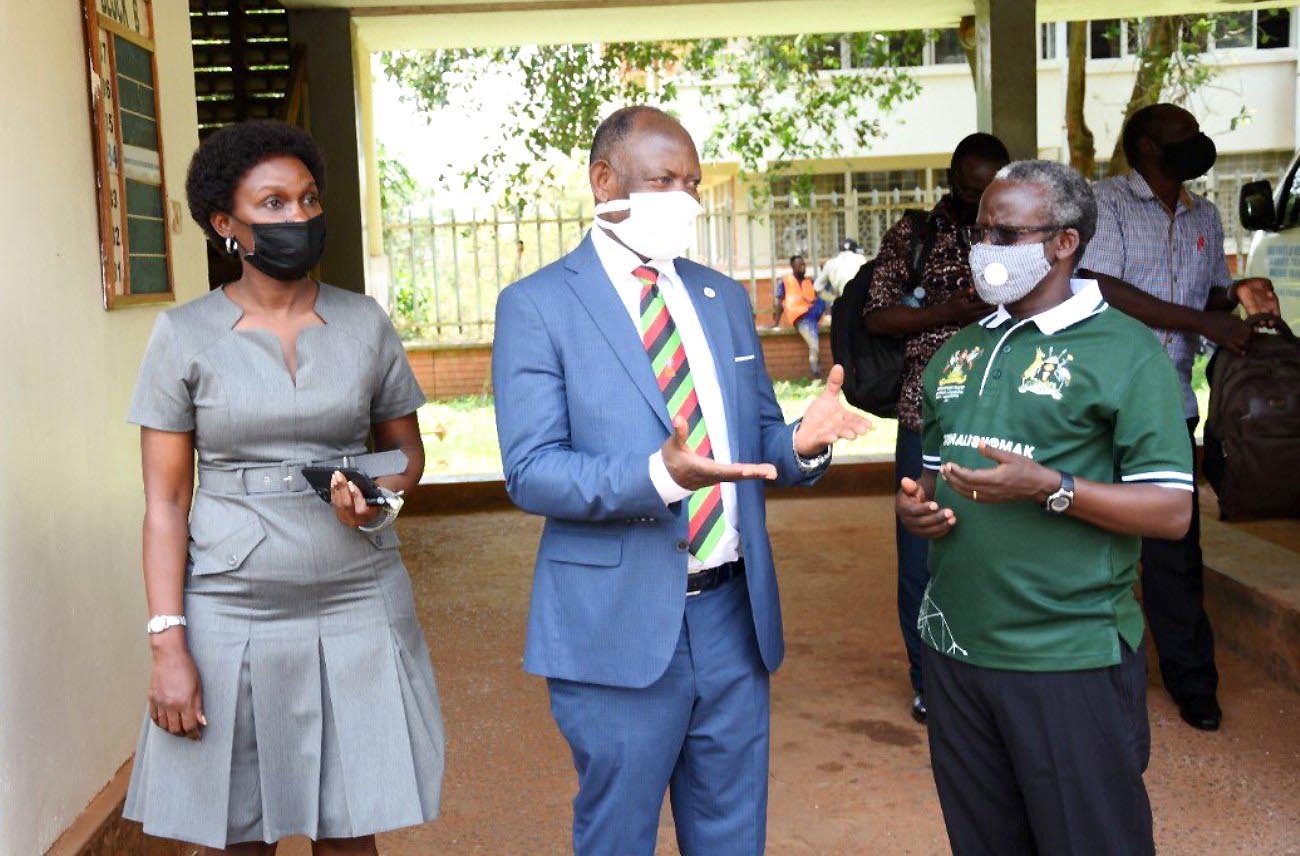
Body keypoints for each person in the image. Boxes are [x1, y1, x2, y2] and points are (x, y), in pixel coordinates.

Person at [492, 105, 870, 855]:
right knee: (618, 836)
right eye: (664, 179)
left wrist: (801, 441)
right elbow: (532, 470)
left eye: (692, 182)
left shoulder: (719, 297)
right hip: (616, 624)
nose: (685, 198)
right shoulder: (537, 306)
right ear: (604, 181)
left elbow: (756, 439)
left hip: (732, 616)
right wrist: (657, 476)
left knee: (732, 836)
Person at [122, 121, 444, 855]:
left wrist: (372, 491)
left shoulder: (364, 323)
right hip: (234, 607)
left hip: (357, 594)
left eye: (306, 200)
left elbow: (406, 453)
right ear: (224, 224)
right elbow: (165, 504)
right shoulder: (184, 335)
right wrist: (168, 641)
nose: (297, 218)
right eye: (272, 204)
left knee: (349, 822)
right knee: (240, 829)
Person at [900, 159, 1196, 855]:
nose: (984, 250)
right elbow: (936, 478)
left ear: (1064, 243)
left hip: (1067, 657)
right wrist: (918, 509)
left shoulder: (1124, 352)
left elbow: (1171, 511)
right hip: (956, 650)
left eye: (1005, 233)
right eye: (980, 231)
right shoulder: (959, 353)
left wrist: (1051, 486)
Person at [1078, 104, 1281, 732]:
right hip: (1101, 403)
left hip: (1170, 403)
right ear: (1146, 145)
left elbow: (1204, 291)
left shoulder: (1205, 211)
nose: (1197, 143)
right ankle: (1093, 682)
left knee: (1176, 549)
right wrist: (1201, 320)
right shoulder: (1103, 201)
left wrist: (1235, 294)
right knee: (1092, 545)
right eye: (1182, 136)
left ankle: (1194, 684)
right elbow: (1097, 287)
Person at [863, 132, 1010, 723]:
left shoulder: (1021, 232)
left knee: (1000, 545)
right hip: (926, 417)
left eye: (992, 192)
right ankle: (928, 679)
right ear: (953, 181)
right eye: (972, 191)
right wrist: (946, 313)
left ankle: (994, 672)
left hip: (1005, 415)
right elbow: (877, 314)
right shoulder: (916, 234)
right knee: (922, 549)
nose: (982, 207)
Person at [775, 253, 825, 378]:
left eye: (803, 264)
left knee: (825, 295)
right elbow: (779, 303)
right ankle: (816, 373)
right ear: (793, 267)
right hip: (801, 317)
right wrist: (776, 323)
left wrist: (824, 272)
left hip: (813, 313)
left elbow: (821, 293)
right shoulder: (785, 281)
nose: (802, 267)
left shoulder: (810, 281)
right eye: (799, 265)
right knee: (814, 344)